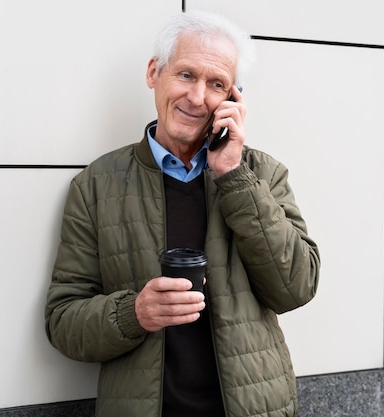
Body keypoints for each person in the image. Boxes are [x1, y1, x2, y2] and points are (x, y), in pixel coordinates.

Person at [45, 10, 320, 417]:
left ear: (233, 99)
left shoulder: (261, 173)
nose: (197, 97)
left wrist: (234, 176)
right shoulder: (96, 185)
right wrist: (133, 313)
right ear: (154, 72)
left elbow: (297, 287)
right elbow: (63, 321)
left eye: (217, 84)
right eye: (186, 75)